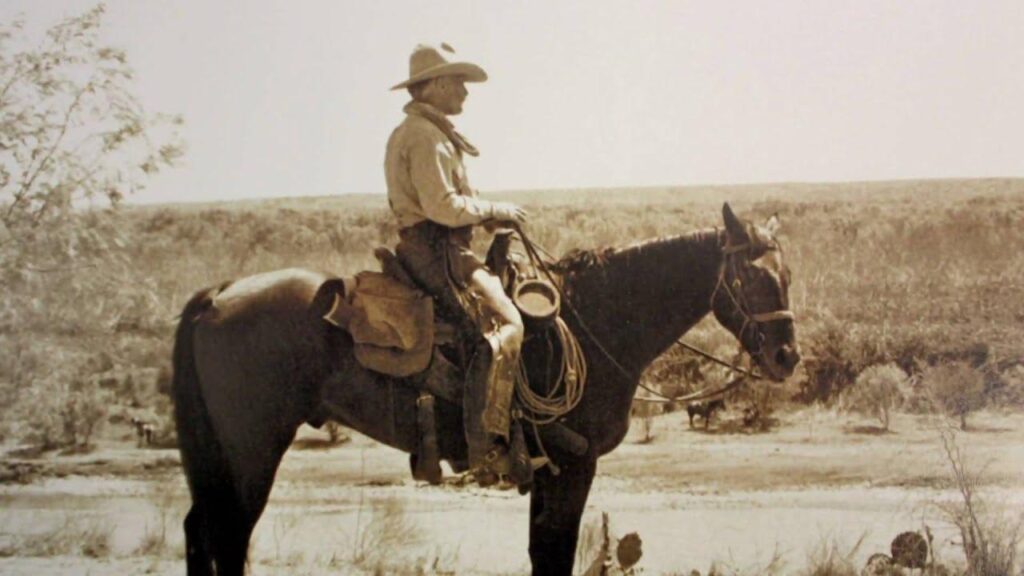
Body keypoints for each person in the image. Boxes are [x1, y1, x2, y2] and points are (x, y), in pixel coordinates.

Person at [384, 43, 527, 483]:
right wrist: (494, 209)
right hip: (438, 252)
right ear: (438, 83)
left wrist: (485, 216)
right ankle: (484, 449)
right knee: (506, 325)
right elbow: (442, 207)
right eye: (459, 82)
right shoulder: (425, 136)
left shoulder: (427, 132)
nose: (465, 91)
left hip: (441, 245)